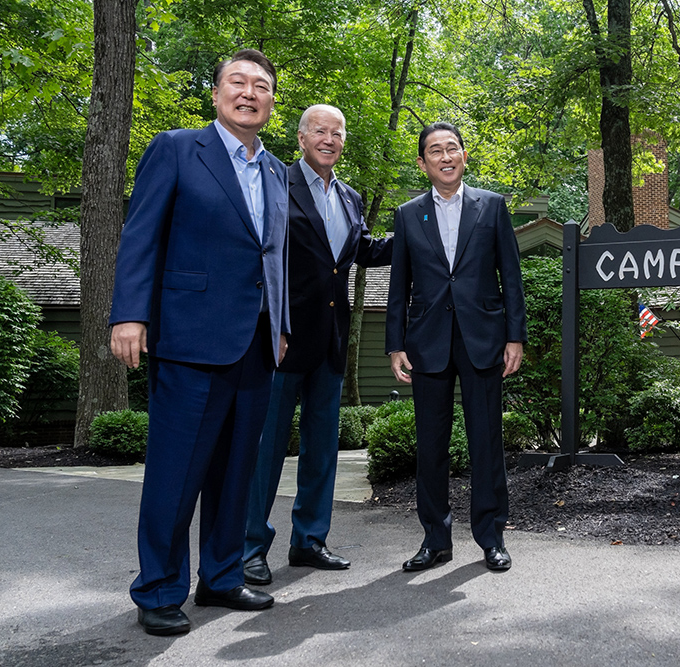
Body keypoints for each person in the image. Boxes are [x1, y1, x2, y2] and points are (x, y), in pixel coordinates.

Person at [109, 49, 289, 637]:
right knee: (176, 472)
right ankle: (159, 588)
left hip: (256, 344)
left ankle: (221, 575)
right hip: (188, 340)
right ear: (215, 95)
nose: (249, 92)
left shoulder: (277, 171)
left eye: (261, 86)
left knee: (237, 472)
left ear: (270, 101)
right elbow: (141, 233)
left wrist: (280, 324)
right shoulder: (178, 148)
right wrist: (129, 314)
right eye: (237, 82)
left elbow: (274, 258)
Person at [243, 104, 392, 585]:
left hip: (330, 342)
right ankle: (249, 548)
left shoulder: (350, 196)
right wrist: (273, 324)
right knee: (266, 450)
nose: (329, 139)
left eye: (337, 132)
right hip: (281, 339)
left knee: (322, 448)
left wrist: (420, 223)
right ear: (302, 138)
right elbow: (261, 254)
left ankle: (309, 540)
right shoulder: (275, 183)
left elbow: (363, 250)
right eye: (320, 131)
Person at [386, 121, 527, 572]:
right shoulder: (408, 214)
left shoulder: (492, 206)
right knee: (431, 446)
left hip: (483, 339)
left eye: (453, 148)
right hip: (427, 343)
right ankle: (435, 540)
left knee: (486, 442)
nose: (445, 157)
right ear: (422, 162)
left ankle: (491, 537)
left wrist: (514, 336)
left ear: (464, 156)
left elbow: (511, 276)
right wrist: (395, 345)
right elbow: (398, 286)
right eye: (435, 151)